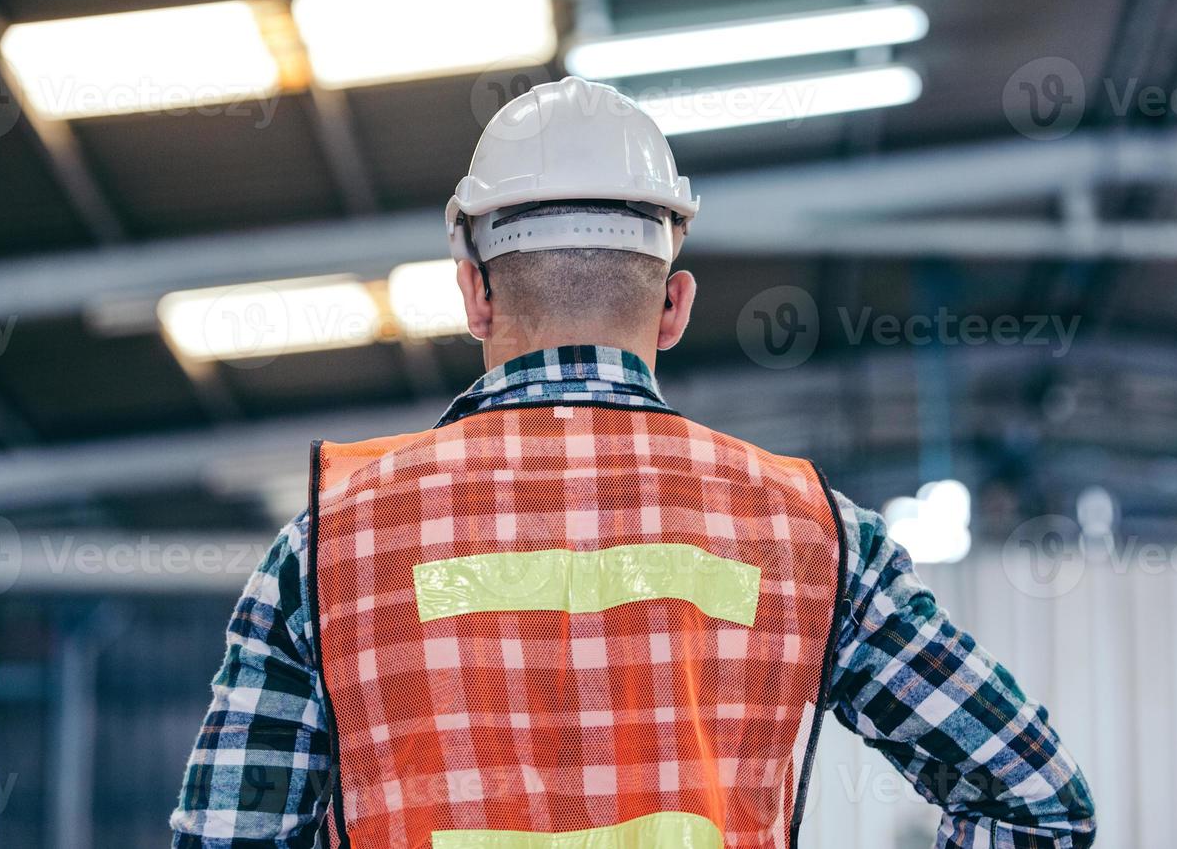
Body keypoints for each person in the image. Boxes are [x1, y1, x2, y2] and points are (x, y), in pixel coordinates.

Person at [171, 77, 1095, 849]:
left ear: (473, 292)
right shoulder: (812, 538)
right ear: (674, 305)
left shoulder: (332, 545)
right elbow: (1037, 803)